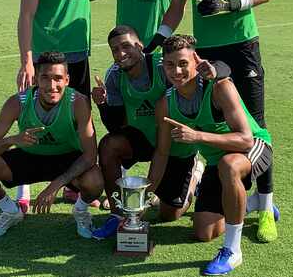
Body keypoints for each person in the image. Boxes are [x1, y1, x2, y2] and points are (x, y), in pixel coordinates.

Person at [145, 0, 277, 243]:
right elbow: (176, 6)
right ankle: (212, 183)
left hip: (241, 46)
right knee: (212, 119)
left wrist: (230, 4)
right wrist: (158, 36)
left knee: (254, 127)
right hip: (209, 53)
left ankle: (265, 207)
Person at [90, 25, 230, 240]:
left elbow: (214, 69)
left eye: (126, 46)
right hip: (143, 139)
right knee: (109, 144)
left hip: (175, 144)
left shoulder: (163, 66)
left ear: (140, 46)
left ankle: (195, 176)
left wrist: (216, 70)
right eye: (115, 49)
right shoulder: (114, 76)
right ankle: (118, 214)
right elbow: (116, 126)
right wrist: (103, 104)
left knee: (169, 214)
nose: (120, 54)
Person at [16, 0, 109, 208]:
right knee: (34, 119)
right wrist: (26, 59)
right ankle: (23, 190)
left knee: (78, 122)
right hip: (46, 58)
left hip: (78, 55)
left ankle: (74, 186)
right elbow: (26, 13)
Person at [158, 35, 274, 275]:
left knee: (229, 164)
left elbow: (245, 139)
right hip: (215, 161)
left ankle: (232, 251)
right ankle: (253, 203)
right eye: (170, 64)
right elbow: (162, 151)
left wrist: (197, 137)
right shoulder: (166, 102)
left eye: (182, 63)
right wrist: (147, 192)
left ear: (196, 61)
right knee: (203, 232)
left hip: (253, 147)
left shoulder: (220, 87)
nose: (176, 70)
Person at [0, 52, 103, 240]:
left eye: (57, 78)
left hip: (66, 158)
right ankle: (11, 211)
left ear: (67, 80)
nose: (51, 86)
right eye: (45, 78)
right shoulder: (17, 102)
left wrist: (55, 186)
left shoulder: (78, 102)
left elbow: (90, 155)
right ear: (36, 79)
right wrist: (13, 140)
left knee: (95, 180)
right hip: (29, 158)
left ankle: (81, 212)